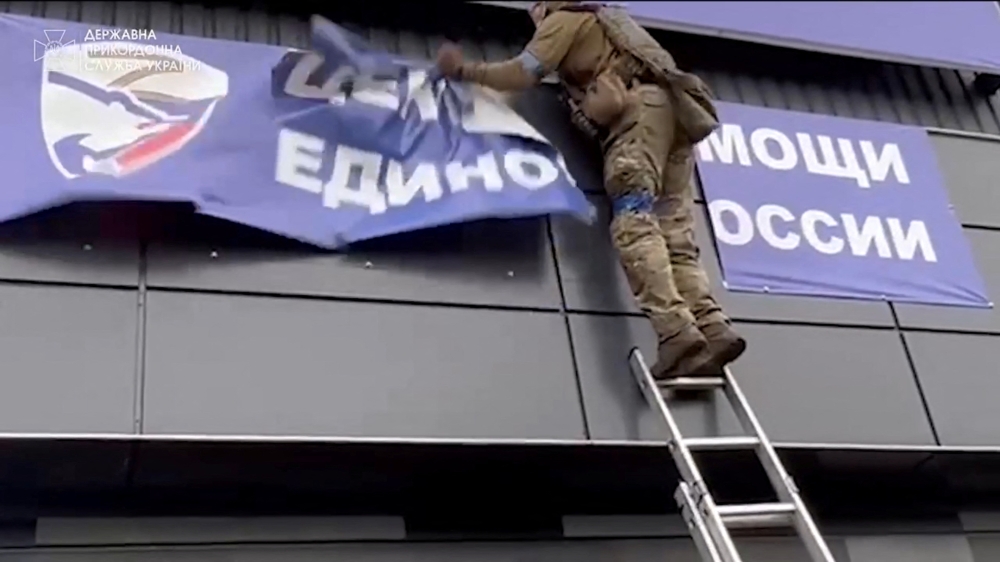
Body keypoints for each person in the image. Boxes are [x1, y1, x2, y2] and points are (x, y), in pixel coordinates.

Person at [435, 1, 746, 380]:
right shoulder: (608, 20)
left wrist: (464, 70)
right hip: (675, 121)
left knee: (634, 222)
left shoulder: (565, 19)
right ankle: (712, 328)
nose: (534, 13)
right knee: (675, 234)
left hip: (638, 121)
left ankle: (676, 333)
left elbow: (522, 72)